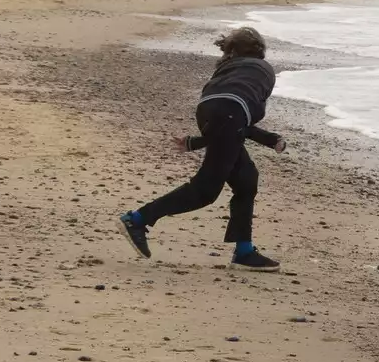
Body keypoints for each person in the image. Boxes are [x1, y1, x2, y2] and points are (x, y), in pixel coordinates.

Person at [120, 27, 285, 271]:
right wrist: (270, 139)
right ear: (260, 50)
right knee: (205, 191)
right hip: (231, 114)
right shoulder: (265, 70)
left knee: (246, 179)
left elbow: (228, 124)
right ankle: (137, 219)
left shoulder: (224, 70)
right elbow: (240, 120)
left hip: (207, 110)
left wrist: (197, 141)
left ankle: (244, 250)